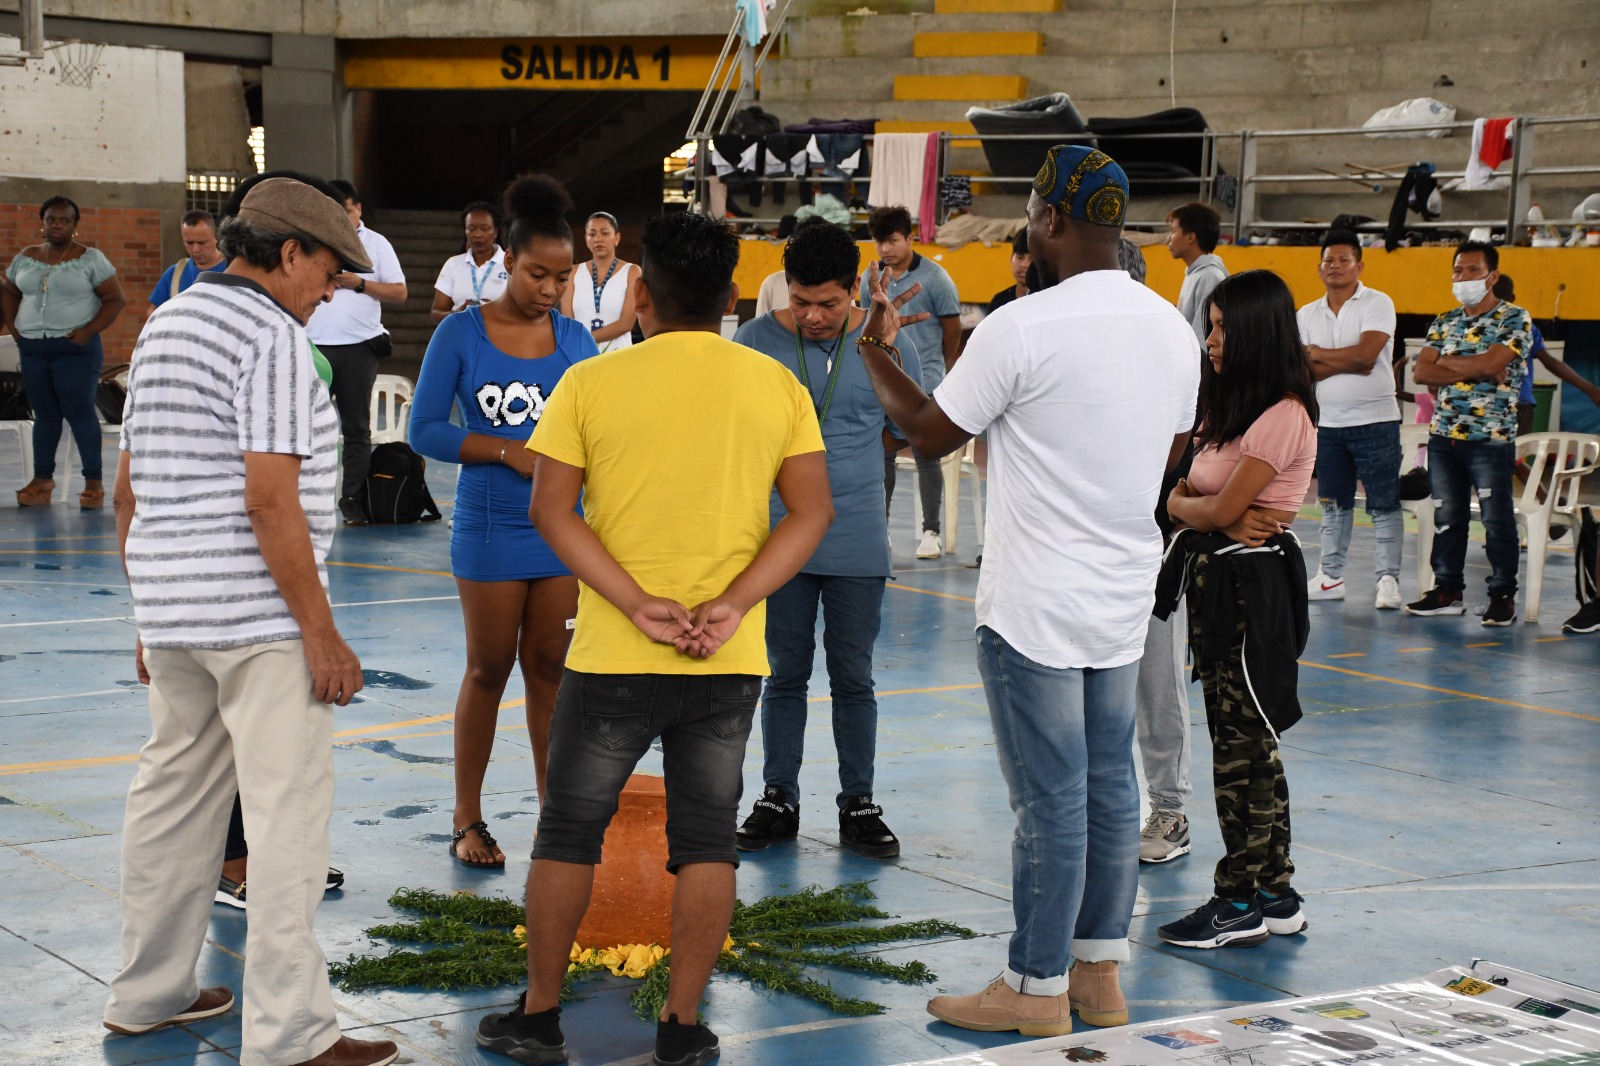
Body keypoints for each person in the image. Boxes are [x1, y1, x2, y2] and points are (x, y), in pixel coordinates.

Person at [854, 145, 1199, 1037]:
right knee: (1110, 789)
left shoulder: (1023, 326)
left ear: (1048, 219)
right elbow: (1168, 459)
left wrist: (875, 354)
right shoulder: (1172, 328)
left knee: (1049, 798)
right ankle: (1096, 977)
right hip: (1123, 592)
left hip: (1036, 603)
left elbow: (929, 434)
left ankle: (1033, 986)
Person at [473, 211, 832, 1065]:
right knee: (706, 840)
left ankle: (540, 1014)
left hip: (612, 654)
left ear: (640, 290)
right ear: (734, 295)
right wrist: (737, 601)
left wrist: (635, 603)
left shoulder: (593, 382)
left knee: (568, 833)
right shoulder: (774, 383)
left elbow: (550, 511)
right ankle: (679, 1025)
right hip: (726, 656)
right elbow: (813, 510)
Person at [105, 177, 397, 1066]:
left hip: (178, 611)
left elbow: (129, 491)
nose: (334, 289)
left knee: (172, 807)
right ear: (290, 253)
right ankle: (293, 1035)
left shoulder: (167, 324)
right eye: (330, 270)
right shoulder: (270, 336)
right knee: (286, 823)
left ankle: (146, 995)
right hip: (262, 621)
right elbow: (270, 499)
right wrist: (321, 631)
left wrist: (152, 614)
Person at [410, 175, 597, 868]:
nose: (548, 289)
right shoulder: (461, 333)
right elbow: (423, 427)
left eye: (561, 277)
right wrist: (507, 451)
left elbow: (598, 432)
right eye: (536, 274)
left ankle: (557, 819)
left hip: (560, 531)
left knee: (551, 669)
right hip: (489, 527)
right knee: (488, 669)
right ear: (506, 265)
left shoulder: (577, 340)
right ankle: (467, 820)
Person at [731, 220, 911, 859]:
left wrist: (882, 351)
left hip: (857, 536)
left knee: (853, 676)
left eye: (829, 304)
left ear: (854, 290)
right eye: (800, 301)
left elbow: (916, 428)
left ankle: (857, 802)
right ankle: (778, 795)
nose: (812, 316)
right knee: (783, 674)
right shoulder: (753, 341)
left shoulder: (883, 338)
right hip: (778, 538)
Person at [1155, 270, 1318, 950]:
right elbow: (1178, 492)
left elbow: (1212, 506)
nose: (1211, 340)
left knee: (1241, 754)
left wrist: (1190, 509)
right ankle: (1277, 891)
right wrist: (1189, 508)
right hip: (1219, 586)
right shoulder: (1226, 412)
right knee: (1253, 747)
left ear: (1254, 333)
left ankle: (1238, 900)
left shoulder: (1283, 415)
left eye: (1222, 328)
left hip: (1254, 594)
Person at [1405, 241, 1531, 625]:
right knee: (1448, 516)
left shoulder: (1515, 318)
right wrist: (1475, 367)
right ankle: (1447, 590)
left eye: (1472, 271)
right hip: (1443, 437)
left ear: (1491, 276)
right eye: (1457, 271)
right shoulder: (1444, 321)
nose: (1462, 278)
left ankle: (1502, 596)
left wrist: (1451, 362)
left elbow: (1492, 362)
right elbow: (1422, 373)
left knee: (1497, 519)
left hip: (1489, 440)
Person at [1298, 229, 1404, 610]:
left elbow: (1366, 358)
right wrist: (1339, 359)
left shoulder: (1378, 303)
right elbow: (1302, 369)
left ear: (1359, 265)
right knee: (1332, 503)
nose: (1335, 266)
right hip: (1327, 425)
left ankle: (1387, 580)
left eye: (1344, 260)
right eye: (1328, 260)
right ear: (1319, 267)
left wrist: (1319, 355)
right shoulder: (1305, 313)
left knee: (1384, 503)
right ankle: (1330, 577)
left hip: (1376, 421)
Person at [2, 195, 127, 508]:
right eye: (51, 219)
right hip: (32, 349)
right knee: (45, 415)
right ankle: (42, 480)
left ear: (74, 226)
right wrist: (15, 328)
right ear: (42, 223)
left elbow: (115, 300)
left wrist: (88, 331)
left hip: (76, 350)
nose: (57, 225)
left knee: (80, 412)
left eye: (64, 220)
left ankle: (94, 483)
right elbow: (9, 290)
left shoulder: (90, 258)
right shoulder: (26, 257)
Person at [304, 179, 407, 527]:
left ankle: (352, 500)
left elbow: (399, 292)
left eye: (346, 209)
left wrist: (359, 283)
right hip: (312, 347)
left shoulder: (375, 244)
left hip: (357, 350)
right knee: (305, 427)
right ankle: (301, 498)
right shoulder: (311, 241)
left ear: (358, 209)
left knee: (357, 429)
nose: (341, 216)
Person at [863, 204, 962, 560]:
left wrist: (939, 368)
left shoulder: (936, 278)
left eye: (892, 240)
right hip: (882, 386)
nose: (885, 249)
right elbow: (864, 329)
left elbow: (952, 331)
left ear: (909, 238)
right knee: (882, 458)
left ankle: (930, 532)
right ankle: (880, 531)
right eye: (879, 241)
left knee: (926, 455)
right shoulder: (869, 279)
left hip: (927, 385)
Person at [1494, 274, 1600, 437]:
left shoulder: (1473, 327)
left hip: (1494, 404)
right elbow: (1550, 362)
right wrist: (1590, 389)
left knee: (1498, 457)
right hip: (1518, 404)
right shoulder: (1525, 326)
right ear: (1513, 298)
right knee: (1511, 456)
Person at [560, 211, 637, 353]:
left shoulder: (632, 271)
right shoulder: (573, 272)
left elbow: (626, 323)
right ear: (586, 239)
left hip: (618, 356)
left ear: (617, 238)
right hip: (581, 356)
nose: (598, 239)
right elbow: (568, 322)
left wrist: (584, 339)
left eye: (605, 233)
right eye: (592, 234)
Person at [430, 201, 509, 322]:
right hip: (462, 335)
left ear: (496, 232)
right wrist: (456, 314)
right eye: (471, 229)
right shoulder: (453, 264)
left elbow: (524, 308)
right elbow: (436, 313)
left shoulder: (510, 264)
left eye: (484, 228)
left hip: (500, 336)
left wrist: (497, 310)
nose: (477, 234)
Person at [1166, 201, 1228, 341]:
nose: (1168, 238)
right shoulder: (1194, 273)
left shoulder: (1210, 276)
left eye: (1173, 231)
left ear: (1190, 237)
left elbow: (1203, 338)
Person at [148, 210, 228, 307]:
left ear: (216, 236)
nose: (195, 249)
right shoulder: (174, 274)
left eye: (202, 243)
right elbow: (153, 311)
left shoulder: (233, 269)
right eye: (189, 243)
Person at [986, 230, 1031, 314]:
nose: (1024, 264)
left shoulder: (1049, 301)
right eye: (1020, 257)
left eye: (1031, 259)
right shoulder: (999, 302)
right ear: (1011, 258)